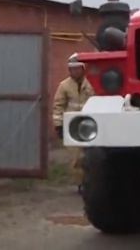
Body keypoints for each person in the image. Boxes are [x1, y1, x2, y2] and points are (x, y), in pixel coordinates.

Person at [53, 53, 94, 194]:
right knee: (76, 158)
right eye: (72, 69)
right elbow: (58, 106)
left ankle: (92, 183)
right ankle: (80, 185)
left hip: (92, 125)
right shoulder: (64, 86)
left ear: (83, 69)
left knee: (93, 157)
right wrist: (58, 125)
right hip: (73, 128)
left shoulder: (92, 83)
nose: (75, 71)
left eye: (78, 68)